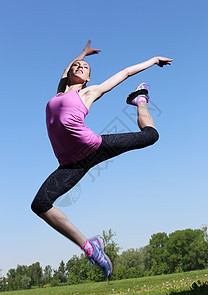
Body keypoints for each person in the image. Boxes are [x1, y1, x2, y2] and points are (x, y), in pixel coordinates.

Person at [31, 40, 173, 279]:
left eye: (84, 67)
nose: (79, 66)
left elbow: (125, 73)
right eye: (76, 65)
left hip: (95, 147)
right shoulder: (58, 93)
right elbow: (66, 70)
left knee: (151, 136)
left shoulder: (88, 92)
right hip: (70, 164)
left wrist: (153, 60)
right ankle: (91, 248)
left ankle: (140, 99)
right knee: (40, 204)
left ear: (87, 79)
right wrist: (83, 53)